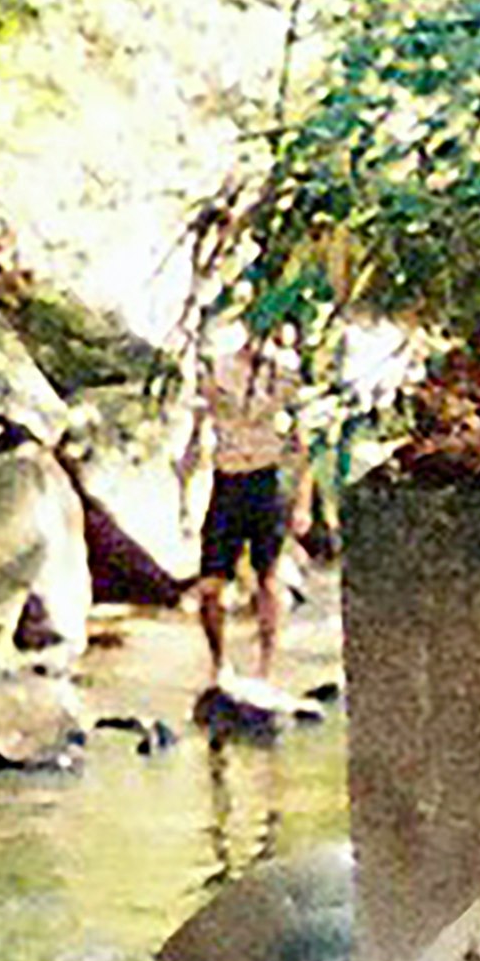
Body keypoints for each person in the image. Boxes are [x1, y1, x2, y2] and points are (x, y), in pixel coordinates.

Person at [183, 283, 309, 686]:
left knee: (269, 578)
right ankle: (218, 663)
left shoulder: (285, 375)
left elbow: (303, 442)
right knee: (211, 585)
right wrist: (185, 495)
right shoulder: (218, 370)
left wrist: (303, 501)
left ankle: (266, 668)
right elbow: (198, 432)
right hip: (228, 480)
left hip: (265, 480)